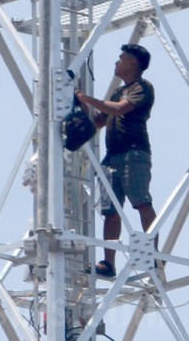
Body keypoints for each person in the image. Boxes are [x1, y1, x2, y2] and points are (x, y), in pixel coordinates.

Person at [74, 44, 156, 278]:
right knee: (111, 210)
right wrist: (82, 109)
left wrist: (86, 98)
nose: (117, 62)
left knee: (141, 201)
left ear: (133, 64)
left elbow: (120, 110)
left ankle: (153, 251)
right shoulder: (117, 93)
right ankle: (108, 263)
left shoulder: (142, 87)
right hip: (113, 155)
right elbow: (101, 119)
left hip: (134, 152)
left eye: (122, 59)